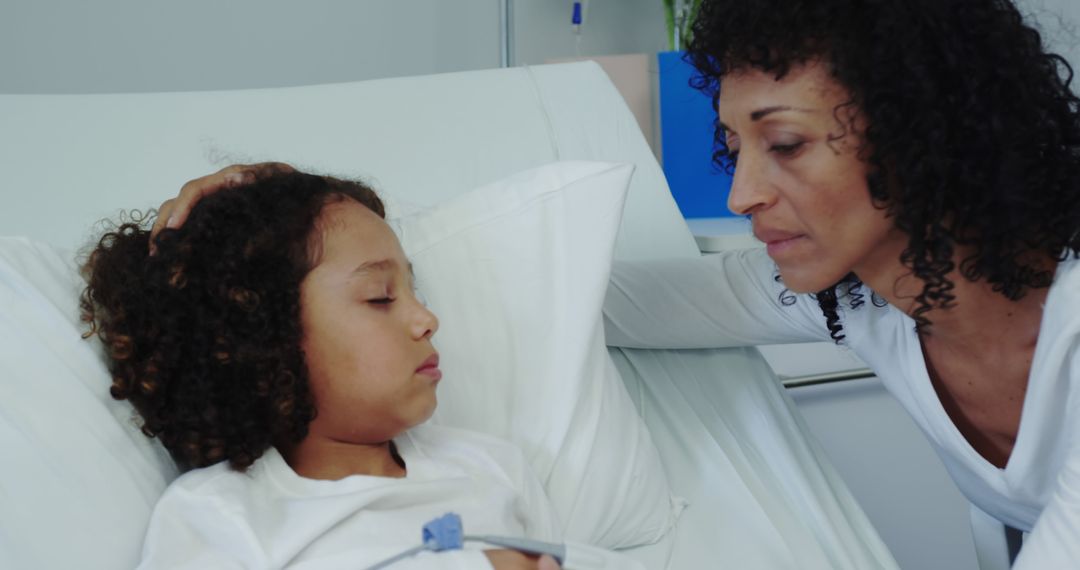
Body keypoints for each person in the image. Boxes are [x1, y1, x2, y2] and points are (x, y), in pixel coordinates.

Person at [150, 2, 1079, 566]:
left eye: (785, 143)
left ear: (925, 129)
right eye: (736, 146)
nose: (742, 192)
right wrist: (273, 232)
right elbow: (577, 288)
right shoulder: (858, 299)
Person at [84, 169, 640, 569]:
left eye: (414, 290)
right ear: (263, 336)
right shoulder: (222, 514)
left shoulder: (491, 468)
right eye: (380, 297)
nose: (427, 318)